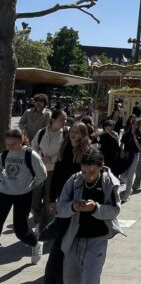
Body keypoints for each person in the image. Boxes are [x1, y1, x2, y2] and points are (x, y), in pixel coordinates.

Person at [56, 147, 123, 284]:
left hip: (97, 242)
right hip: (73, 242)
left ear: (101, 168)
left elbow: (114, 211)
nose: (87, 176)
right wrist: (73, 207)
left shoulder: (109, 182)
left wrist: (95, 208)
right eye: (84, 172)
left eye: (92, 172)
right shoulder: (74, 181)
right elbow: (60, 207)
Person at [0, 128, 47, 263]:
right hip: (4, 193)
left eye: (13, 144)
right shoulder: (4, 154)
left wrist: (30, 185)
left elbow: (42, 175)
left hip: (23, 195)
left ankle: (35, 244)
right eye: (7, 144)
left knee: (20, 230)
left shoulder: (30, 155)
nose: (10, 147)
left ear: (21, 141)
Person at [31, 108, 67, 247]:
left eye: (65, 119)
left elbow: (65, 153)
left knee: (48, 201)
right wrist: (38, 158)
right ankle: (37, 217)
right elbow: (33, 147)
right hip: (38, 170)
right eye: (61, 119)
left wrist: (52, 159)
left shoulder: (65, 134)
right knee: (34, 197)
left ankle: (44, 231)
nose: (64, 122)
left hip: (54, 171)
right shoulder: (41, 133)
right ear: (53, 120)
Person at [50, 122, 91, 207]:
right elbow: (56, 174)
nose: (73, 134)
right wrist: (52, 199)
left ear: (82, 134)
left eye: (77, 132)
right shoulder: (63, 148)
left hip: (79, 192)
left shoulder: (87, 152)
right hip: (63, 190)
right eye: (72, 131)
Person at [119, 117, 140, 202]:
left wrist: (135, 136)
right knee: (123, 175)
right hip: (125, 154)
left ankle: (127, 194)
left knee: (130, 176)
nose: (135, 126)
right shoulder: (126, 133)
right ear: (131, 124)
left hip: (134, 155)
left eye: (137, 124)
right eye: (134, 124)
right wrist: (121, 152)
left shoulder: (139, 134)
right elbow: (121, 144)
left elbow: (139, 147)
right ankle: (129, 187)